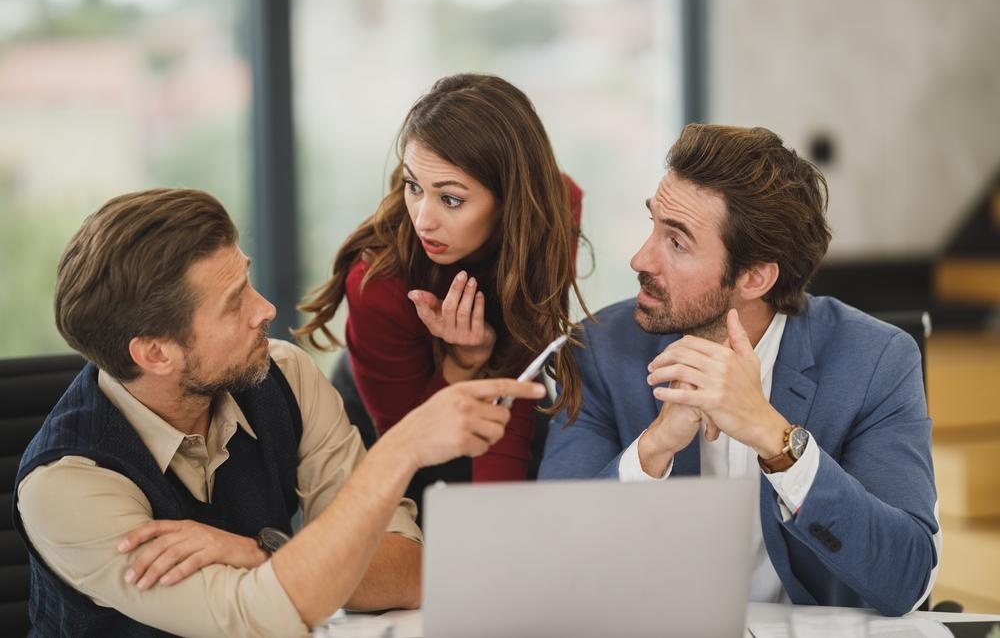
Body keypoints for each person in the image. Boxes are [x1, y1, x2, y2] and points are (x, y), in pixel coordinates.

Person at [13, 188, 545, 636]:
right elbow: (260, 619)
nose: (265, 309)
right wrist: (404, 448)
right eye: (234, 302)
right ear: (155, 353)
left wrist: (258, 552)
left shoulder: (282, 374)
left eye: (247, 280)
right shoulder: (65, 487)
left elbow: (409, 570)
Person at [538, 124, 940, 617]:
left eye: (677, 242)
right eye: (654, 225)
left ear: (754, 277)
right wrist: (653, 447)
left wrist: (777, 440)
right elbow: (552, 561)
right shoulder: (600, 349)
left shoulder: (877, 361)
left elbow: (906, 578)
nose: (640, 258)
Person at [296, 73, 588, 509]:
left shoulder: (551, 210)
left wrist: (497, 526)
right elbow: (407, 441)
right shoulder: (376, 280)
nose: (423, 219)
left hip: (501, 387)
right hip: (392, 411)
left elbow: (519, 367)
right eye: (414, 186)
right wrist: (464, 360)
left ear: (511, 199)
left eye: (450, 199)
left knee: (516, 523)